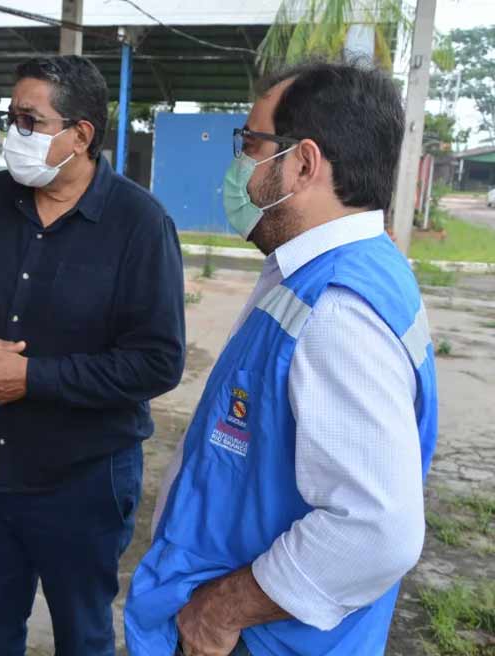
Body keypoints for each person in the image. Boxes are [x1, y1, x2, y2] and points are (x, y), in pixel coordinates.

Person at [124, 62, 438, 656]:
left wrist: (221, 611)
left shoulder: (338, 311)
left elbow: (378, 531)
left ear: (303, 162)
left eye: (251, 144)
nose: (239, 164)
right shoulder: (329, 265)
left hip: (263, 638)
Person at [0, 55, 186, 655]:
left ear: (81, 135)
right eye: (10, 117)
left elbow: (157, 361)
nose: (12, 134)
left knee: (83, 633)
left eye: (30, 121)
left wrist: (34, 379)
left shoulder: (139, 223)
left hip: (85, 479)